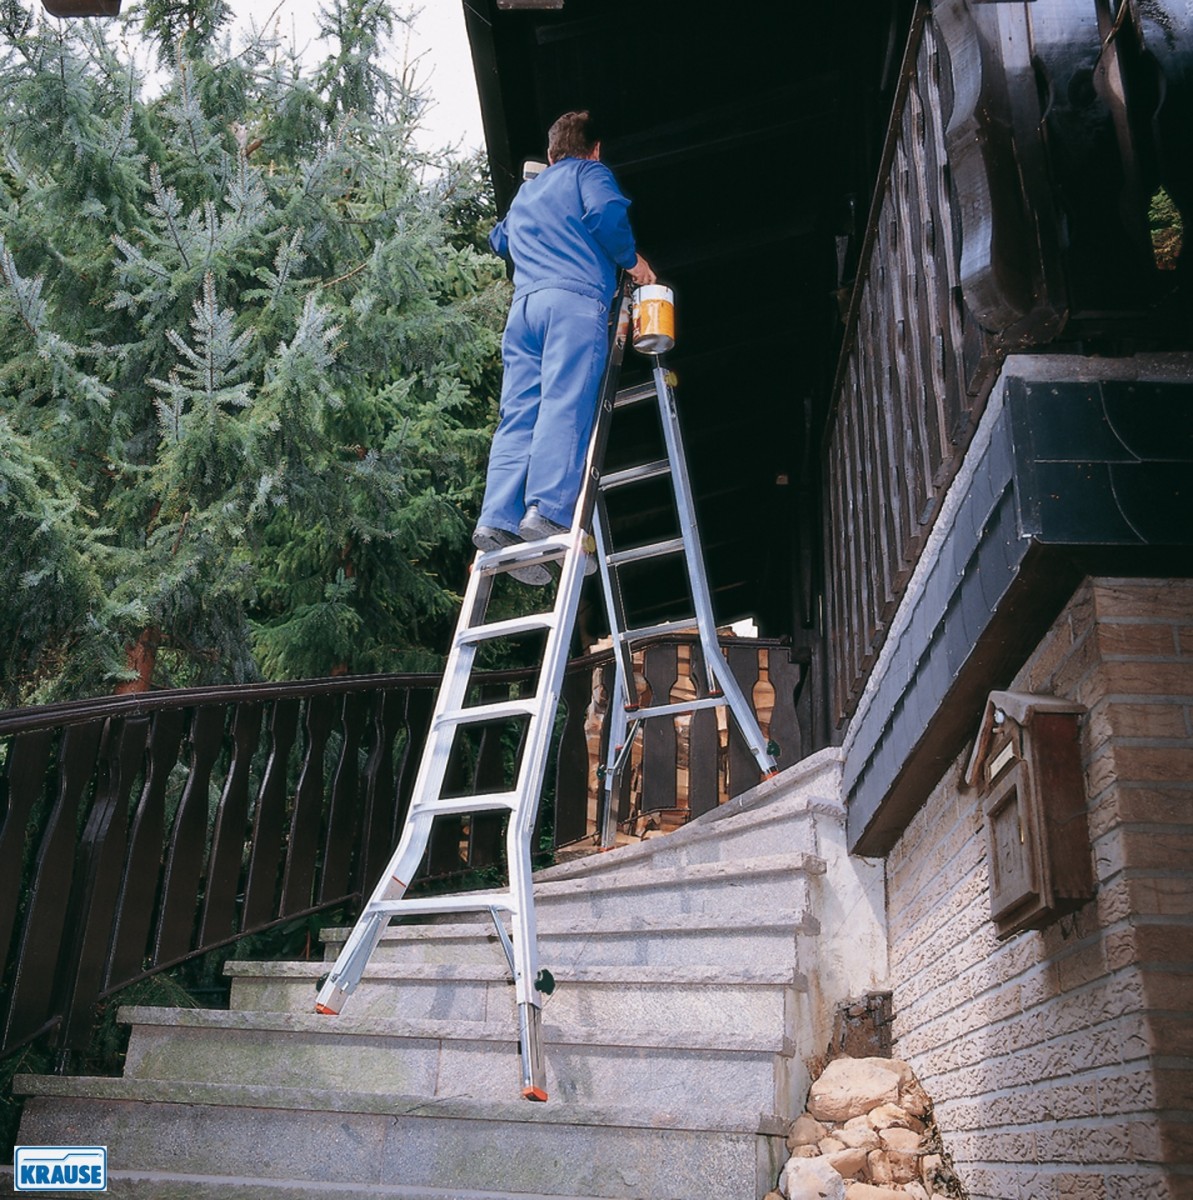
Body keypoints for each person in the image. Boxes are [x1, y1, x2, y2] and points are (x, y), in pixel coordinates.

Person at [473, 110, 656, 584]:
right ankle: (548, 513)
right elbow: (604, 215)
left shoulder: (529, 191)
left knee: (519, 413)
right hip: (573, 304)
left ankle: (498, 519)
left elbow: (501, 240)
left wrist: (535, 191)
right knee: (564, 404)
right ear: (593, 149)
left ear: (551, 153)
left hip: (525, 311)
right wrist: (632, 262)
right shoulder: (590, 173)